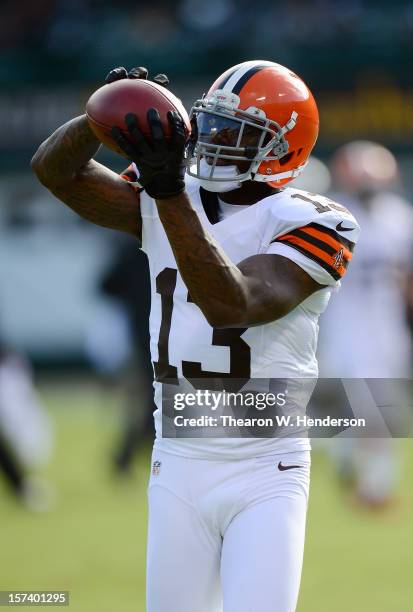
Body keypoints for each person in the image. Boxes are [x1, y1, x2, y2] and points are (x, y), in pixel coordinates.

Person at [31, 60, 360, 612]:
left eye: (238, 134)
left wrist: (166, 190)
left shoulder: (316, 219)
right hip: (177, 457)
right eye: (213, 125)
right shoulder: (171, 194)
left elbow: (233, 305)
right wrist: (102, 114)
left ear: (284, 149)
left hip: (266, 464)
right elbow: (56, 172)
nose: (215, 142)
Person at [318, 141, 413, 508]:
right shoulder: (332, 217)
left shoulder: (400, 218)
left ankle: (359, 471)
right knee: (363, 409)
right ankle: (372, 485)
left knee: (381, 410)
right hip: (343, 328)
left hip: (386, 329)